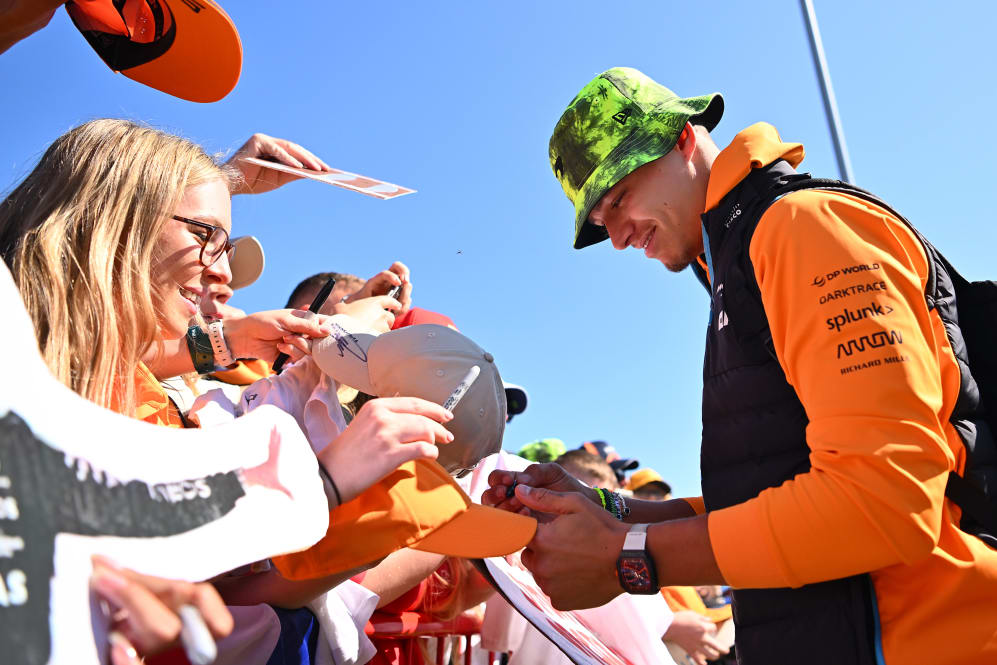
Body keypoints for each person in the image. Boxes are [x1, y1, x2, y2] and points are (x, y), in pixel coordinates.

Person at [483, 67, 997, 665]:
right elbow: (770, 493)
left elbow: (884, 502)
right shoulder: (740, 260)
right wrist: (608, 512)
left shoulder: (801, 227)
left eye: (619, 198)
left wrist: (627, 555)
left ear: (682, 139)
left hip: (926, 637)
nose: (619, 238)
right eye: (601, 223)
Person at [0, 118, 455, 661]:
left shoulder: (90, 358)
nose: (223, 273)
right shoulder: (34, 362)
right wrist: (324, 481)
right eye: (205, 236)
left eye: (223, 243)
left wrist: (230, 334)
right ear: (117, 216)